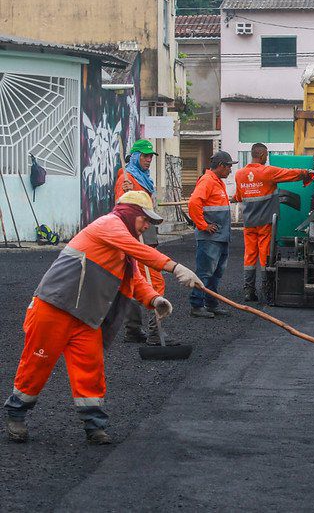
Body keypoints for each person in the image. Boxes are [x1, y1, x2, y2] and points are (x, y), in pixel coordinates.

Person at [3, 191, 202, 444]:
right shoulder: (109, 225)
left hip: (86, 317)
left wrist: (154, 299)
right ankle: (16, 413)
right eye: (144, 219)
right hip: (54, 308)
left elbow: (135, 279)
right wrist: (175, 267)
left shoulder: (124, 245)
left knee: (90, 370)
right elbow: (139, 251)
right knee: (36, 363)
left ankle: (94, 426)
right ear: (129, 213)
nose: (147, 226)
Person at [114, 138, 175, 346]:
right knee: (155, 281)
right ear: (137, 156)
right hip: (135, 235)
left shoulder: (143, 177)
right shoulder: (127, 177)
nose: (149, 159)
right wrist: (125, 190)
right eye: (145, 156)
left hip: (145, 233)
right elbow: (120, 208)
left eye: (150, 156)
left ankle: (132, 330)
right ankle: (155, 333)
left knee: (133, 280)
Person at [233, 143, 311, 302]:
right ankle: (266, 290)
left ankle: (248, 290)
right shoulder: (267, 172)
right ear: (261, 155)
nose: (267, 158)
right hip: (265, 223)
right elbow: (289, 174)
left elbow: (239, 197)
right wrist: (306, 172)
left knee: (249, 256)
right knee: (265, 256)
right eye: (267, 155)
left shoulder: (239, 174)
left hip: (249, 222)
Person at [188, 151, 238, 318]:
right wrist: (203, 225)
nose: (230, 170)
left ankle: (211, 303)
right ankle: (197, 304)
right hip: (210, 238)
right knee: (205, 272)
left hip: (220, 237)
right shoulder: (208, 181)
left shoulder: (217, 182)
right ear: (221, 166)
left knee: (216, 272)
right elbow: (194, 203)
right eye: (229, 166)